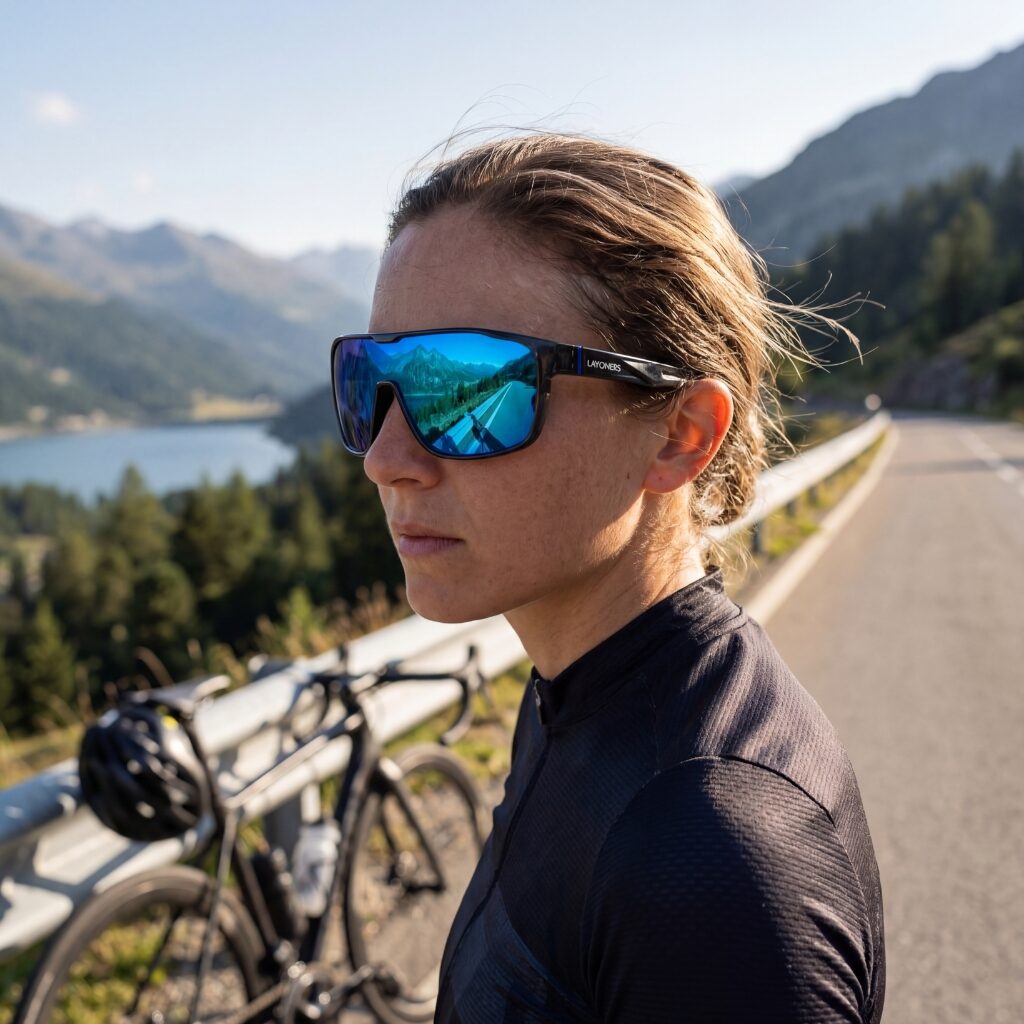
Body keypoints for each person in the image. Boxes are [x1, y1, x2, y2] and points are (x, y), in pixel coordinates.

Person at [330, 132, 885, 1023]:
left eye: (469, 390)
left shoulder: (715, 852)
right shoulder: (583, 697)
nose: (385, 458)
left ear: (680, 434)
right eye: (373, 381)